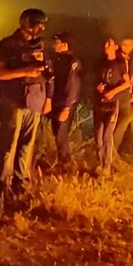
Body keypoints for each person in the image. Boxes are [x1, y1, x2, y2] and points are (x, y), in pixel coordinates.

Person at [0, 8, 52, 210]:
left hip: (34, 102)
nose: (40, 29)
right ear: (27, 23)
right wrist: (24, 71)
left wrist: (48, 96)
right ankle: (2, 189)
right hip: (12, 102)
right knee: (8, 147)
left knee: (26, 147)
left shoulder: (40, 46)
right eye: (37, 24)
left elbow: (47, 73)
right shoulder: (8, 45)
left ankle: (21, 186)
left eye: (43, 25)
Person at [92, 37, 130, 176]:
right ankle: (100, 163)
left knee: (107, 134)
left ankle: (107, 166)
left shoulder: (120, 63)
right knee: (98, 136)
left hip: (112, 104)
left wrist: (113, 91)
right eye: (105, 42)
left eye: (109, 43)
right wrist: (98, 87)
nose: (105, 45)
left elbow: (127, 83)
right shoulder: (99, 62)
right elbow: (95, 79)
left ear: (115, 47)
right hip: (99, 102)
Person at [48, 33, 82, 172]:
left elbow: (72, 85)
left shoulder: (71, 62)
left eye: (57, 42)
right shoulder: (57, 59)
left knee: (61, 132)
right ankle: (62, 162)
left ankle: (66, 164)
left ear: (65, 45)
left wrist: (67, 107)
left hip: (65, 103)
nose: (53, 45)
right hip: (57, 101)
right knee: (57, 132)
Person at [113, 37, 133, 155]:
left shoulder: (130, 58)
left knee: (131, 118)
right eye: (125, 45)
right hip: (119, 95)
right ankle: (114, 147)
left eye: (130, 45)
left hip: (126, 94)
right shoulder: (117, 58)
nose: (128, 48)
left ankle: (125, 147)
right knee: (129, 116)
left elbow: (131, 76)